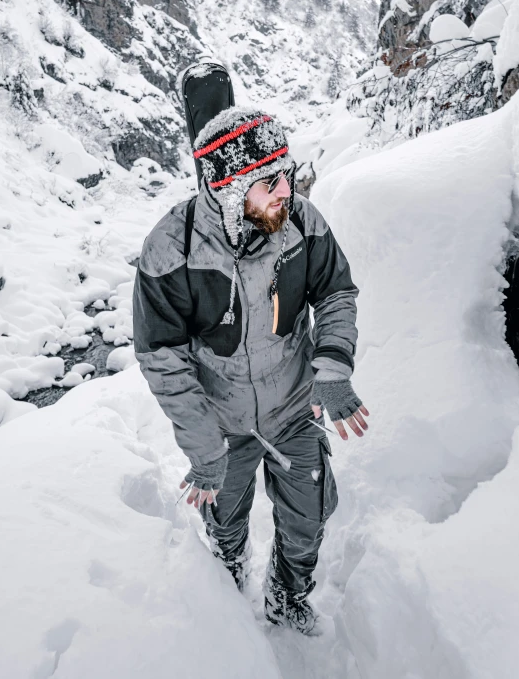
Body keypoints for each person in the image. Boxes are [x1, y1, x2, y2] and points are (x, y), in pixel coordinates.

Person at [133, 107, 369, 634]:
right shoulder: (171, 247)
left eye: (285, 172)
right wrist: (203, 447)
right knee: (226, 516)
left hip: (292, 406)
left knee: (309, 516)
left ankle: (288, 596)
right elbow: (161, 357)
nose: (285, 189)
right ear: (228, 189)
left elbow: (335, 292)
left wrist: (331, 365)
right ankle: (229, 567)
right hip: (222, 423)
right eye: (269, 181)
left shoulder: (302, 221)